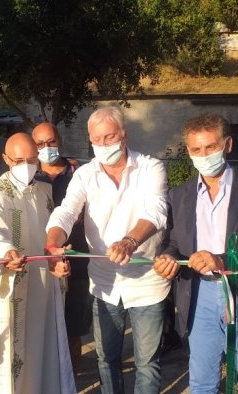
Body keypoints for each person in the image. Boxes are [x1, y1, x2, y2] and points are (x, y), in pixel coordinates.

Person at [153, 113, 238, 393]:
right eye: (196, 150)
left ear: (227, 145)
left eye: (210, 147)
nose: (204, 155)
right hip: (199, 295)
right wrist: (168, 257)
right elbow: (175, 242)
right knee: (202, 383)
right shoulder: (181, 194)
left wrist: (224, 260)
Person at [46, 106, 169, 394]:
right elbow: (66, 211)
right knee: (107, 359)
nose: (102, 145)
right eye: (96, 139)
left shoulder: (151, 167)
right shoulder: (85, 175)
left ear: (124, 135)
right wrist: (52, 244)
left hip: (147, 282)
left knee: (147, 363)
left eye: (109, 136)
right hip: (104, 283)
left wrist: (129, 241)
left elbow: (157, 211)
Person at [0, 132, 74, 394]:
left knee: (44, 346)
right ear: (5, 159)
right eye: (19, 160)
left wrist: (57, 258)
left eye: (32, 159)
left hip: (44, 287)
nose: (27, 165)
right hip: (14, 285)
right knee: (15, 353)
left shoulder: (44, 190)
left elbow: (51, 233)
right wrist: (6, 252)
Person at [32, 122, 93, 374]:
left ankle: (74, 380)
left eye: (51, 141)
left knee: (73, 330)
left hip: (78, 263)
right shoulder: (29, 175)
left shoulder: (81, 173)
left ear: (60, 140)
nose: (47, 148)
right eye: (40, 144)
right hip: (40, 263)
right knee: (40, 330)